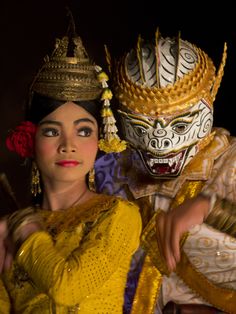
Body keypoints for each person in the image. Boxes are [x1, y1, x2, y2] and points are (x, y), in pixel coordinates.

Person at [0, 20, 142, 313]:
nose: (69, 145)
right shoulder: (9, 228)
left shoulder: (118, 216)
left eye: (84, 131)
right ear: (31, 141)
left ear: (101, 139)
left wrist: (24, 228)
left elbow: (69, 288)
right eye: (52, 131)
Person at [95, 30, 236, 313]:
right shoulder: (107, 168)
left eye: (180, 126)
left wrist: (210, 208)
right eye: (142, 127)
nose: (160, 141)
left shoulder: (230, 162)